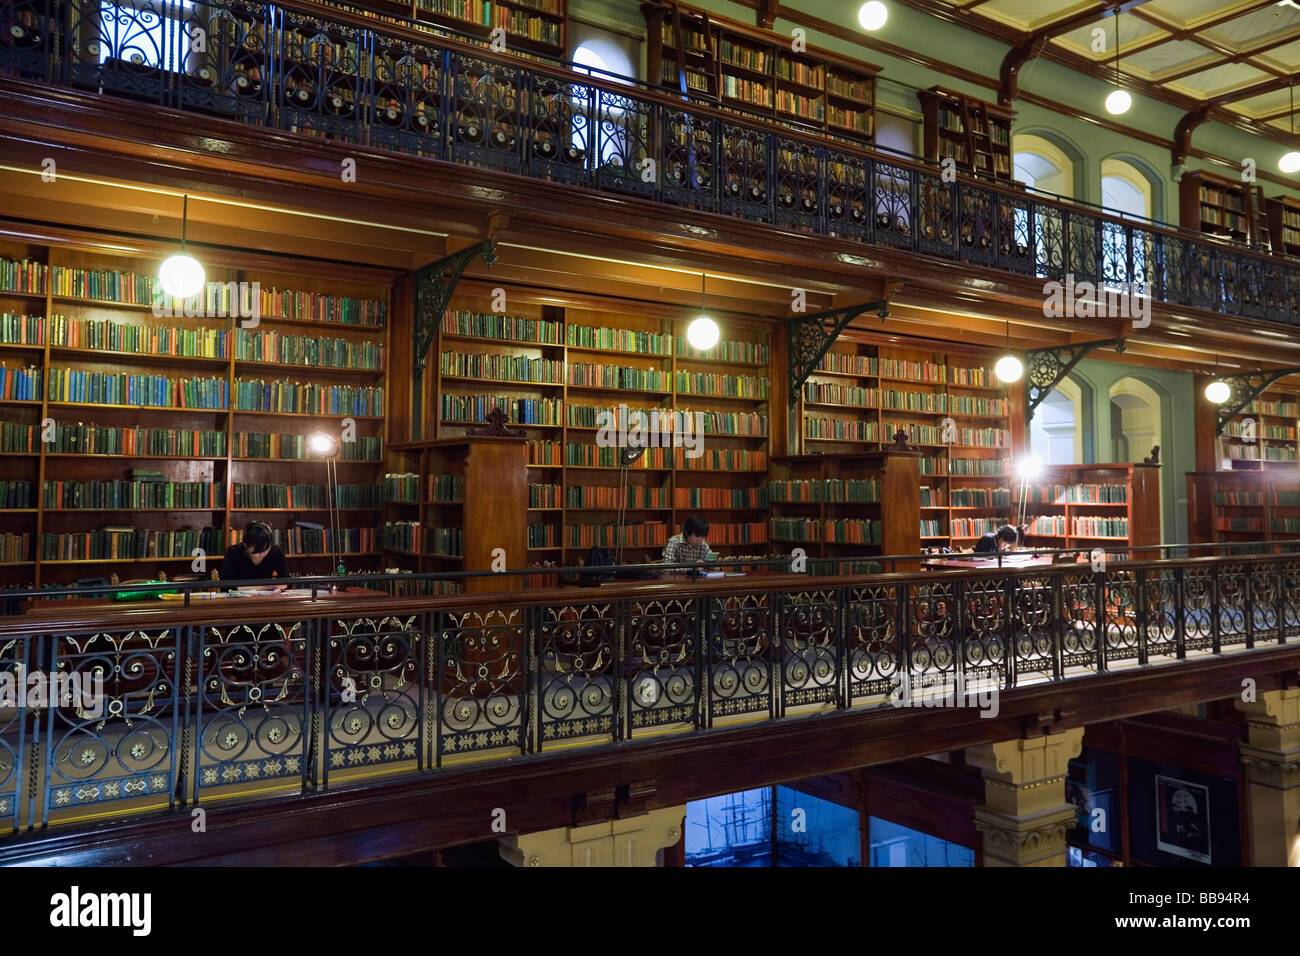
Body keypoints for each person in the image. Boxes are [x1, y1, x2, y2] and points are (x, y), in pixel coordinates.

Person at [220, 521, 290, 582]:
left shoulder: (276, 552)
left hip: (267, 596)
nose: (263, 554)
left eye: (266, 550)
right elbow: (225, 585)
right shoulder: (233, 552)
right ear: (246, 545)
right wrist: (265, 587)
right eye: (258, 551)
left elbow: (287, 582)